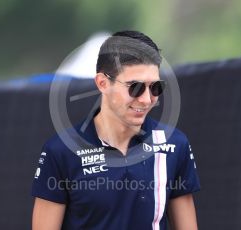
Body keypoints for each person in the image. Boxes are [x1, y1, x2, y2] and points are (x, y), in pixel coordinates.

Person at [32, 30, 200, 230]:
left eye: (156, 87)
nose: (147, 99)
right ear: (103, 83)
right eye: (135, 87)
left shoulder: (175, 144)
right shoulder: (60, 151)